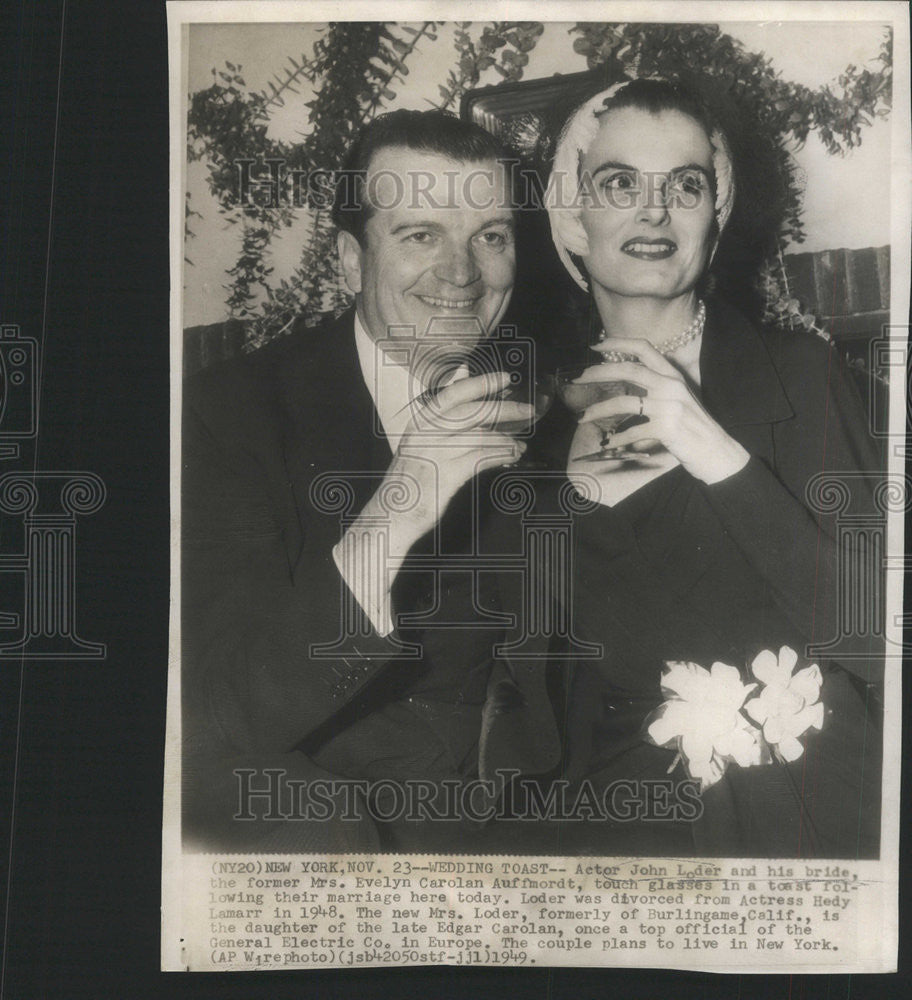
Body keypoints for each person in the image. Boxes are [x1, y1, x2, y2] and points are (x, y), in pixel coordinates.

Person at [181, 110, 561, 852]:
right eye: (421, 235)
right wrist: (403, 501)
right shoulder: (228, 416)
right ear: (351, 260)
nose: (462, 272)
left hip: (523, 825)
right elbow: (221, 716)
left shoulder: (543, 403)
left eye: (490, 235)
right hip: (337, 828)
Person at [544, 78, 883, 857]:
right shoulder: (539, 430)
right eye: (619, 182)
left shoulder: (800, 378)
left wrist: (718, 455)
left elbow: (883, 637)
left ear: (715, 215)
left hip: (804, 818)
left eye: (685, 185)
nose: (654, 211)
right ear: (571, 215)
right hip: (620, 834)